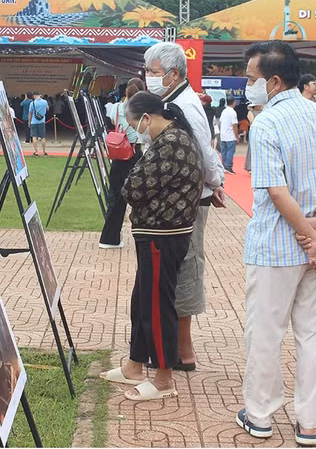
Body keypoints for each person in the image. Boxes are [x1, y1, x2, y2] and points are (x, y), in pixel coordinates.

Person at [237, 40, 316, 447]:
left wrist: (307, 232)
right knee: (311, 333)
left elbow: (277, 193)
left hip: (276, 248)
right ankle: (310, 422)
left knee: (265, 332)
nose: (247, 85)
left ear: (274, 81)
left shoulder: (267, 122)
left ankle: (261, 415)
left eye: (251, 78)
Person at [99, 90, 203, 401]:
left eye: (134, 123)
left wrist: (131, 182)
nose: (133, 130)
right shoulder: (172, 139)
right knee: (143, 302)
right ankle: (135, 365)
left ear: (147, 117)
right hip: (157, 232)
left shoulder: (171, 143)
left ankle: (163, 378)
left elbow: (132, 187)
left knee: (157, 307)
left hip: (163, 234)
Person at [142, 41, 225, 373]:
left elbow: (203, 150)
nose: (148, 77)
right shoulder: (171, 100)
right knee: (175, 269)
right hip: (177, 199)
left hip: (186, 201)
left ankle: (183, 350)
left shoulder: (186, 106)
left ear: (173, 74)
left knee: (186, 267)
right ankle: (173, 346)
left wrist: (215, 182)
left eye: (153, 72)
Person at [99, 78, 144, 249]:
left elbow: (112, 122)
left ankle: (109, 237)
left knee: (115, 197)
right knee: (140, 195)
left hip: (118, 153)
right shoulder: (141, 109)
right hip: (134, 153)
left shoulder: (116, 107)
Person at [219, 97, 238, 174]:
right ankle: (228, 166)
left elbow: (220, 122)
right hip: (230, 135)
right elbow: (234, 125)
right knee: (230, 151)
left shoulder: (224, 111)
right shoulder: (232, 112)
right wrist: (236, 136)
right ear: (233, 102)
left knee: (224, 151)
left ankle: (223, 165)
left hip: (223, 134)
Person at [243, 102, 264, 173]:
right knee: (252, 148)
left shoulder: (263, 112)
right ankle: (250, 167)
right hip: (254, 130)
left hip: (262, 131)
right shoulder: (250, 112)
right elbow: (252, 121)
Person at [29, 91, 49, 156]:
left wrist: (29, 121)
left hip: (34, 121)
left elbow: (30, 112)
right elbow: (47, 109)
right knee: (43, 137)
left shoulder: (32, 103)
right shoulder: (45, 102)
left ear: (34, 96)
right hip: (42, 121)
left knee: (34, 136)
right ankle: (44, 151)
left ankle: (36, 151)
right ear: (39, 95)